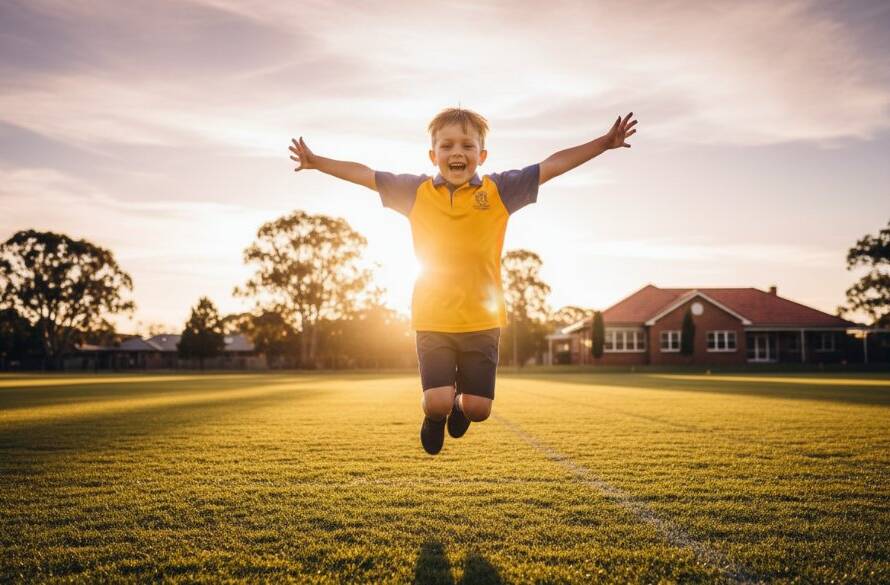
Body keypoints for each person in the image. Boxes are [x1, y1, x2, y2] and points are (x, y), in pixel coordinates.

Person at [289, 108, 637, 455]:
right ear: (433, 155)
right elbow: (365, 174)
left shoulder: (501, 189)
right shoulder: (414, 191)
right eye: (448, 145)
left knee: (477, 409)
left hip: (482, 320)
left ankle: (458, 406)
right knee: (436, 402)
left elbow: (553, 165)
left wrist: (604, 143)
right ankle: (437, 415)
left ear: (481, 155)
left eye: (468, 146)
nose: (458, 153)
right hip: (433, 317)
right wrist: (317, 161)